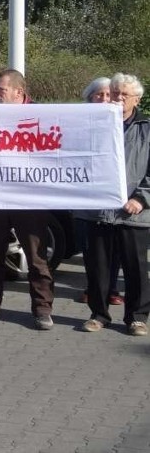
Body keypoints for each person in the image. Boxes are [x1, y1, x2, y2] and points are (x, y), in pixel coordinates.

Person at [0, 69, 55, 330]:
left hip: (29, 198)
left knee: (36, 258)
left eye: (1, 89)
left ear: (19, 92)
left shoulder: (42, 116)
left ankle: (42, 309)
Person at [76, 73, 150, 337]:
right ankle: (98, 315)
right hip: (97, 211)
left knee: (136, 270)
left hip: (134, 213)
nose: (117, 98)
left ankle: (137, 318)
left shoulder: (146, 128)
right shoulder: (90, 126)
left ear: (137, 99)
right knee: (98, 267)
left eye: (123, 95)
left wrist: (141, 199)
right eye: (114, 92)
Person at [75, 77, 124, 306]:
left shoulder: (121, 122)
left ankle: (112, 289)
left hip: (114, 195)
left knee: (114, 247)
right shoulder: (80, 122)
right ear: (90, 97)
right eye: (99, 95)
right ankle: (91, 288)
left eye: (107, 95)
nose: (104, 99)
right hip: (87, 195)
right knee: (91, 248)